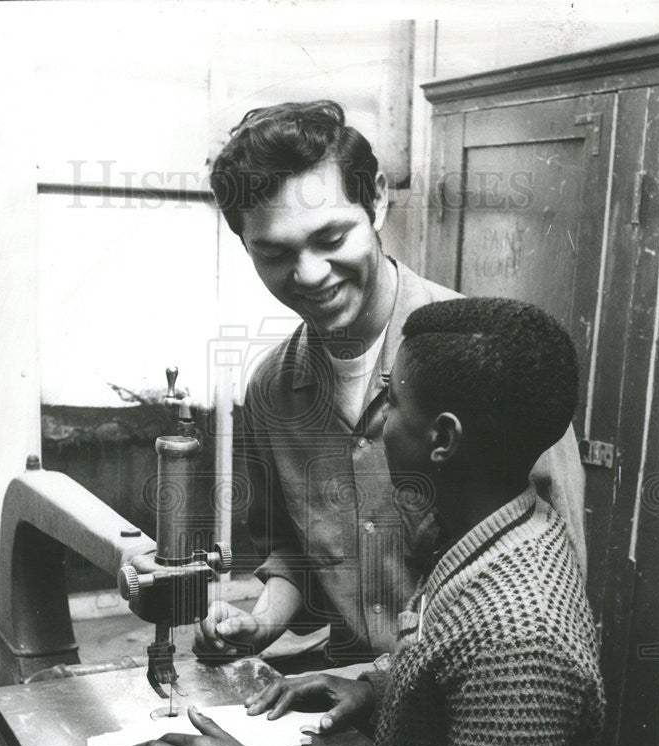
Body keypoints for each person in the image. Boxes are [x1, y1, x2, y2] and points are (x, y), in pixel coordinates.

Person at [116, 297, 605, 746]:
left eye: (393, 402)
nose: (374, 422)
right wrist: (379, 689)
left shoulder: (520, 627)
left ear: (443, 439)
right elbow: (456, 676)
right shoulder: (491, 535)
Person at [194, 99, 586, 666]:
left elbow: (555, 577)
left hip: (470, 706)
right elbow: (292, 550)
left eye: (330, 239)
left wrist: (379, 682)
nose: (308, 275)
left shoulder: (487, 360)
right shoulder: (271, 392)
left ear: (376, 199)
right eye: (274, 253)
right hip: (340, 701)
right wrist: (261, 622)